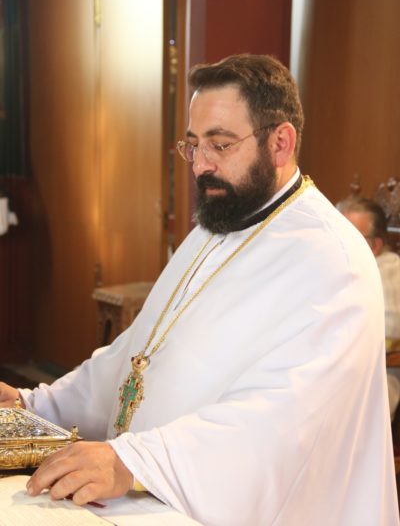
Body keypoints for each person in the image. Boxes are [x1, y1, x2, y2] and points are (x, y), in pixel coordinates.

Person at [0, 54, 398, 525]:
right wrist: (36, 405)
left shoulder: (334, 261)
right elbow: (138, 355)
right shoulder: (217, 227)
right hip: (155, 497)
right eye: (193, 145)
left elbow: (282, 423)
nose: (200, 165)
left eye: (220, 144)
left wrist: (134, 461)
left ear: (281, 142)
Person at [337, 196, 400, 419]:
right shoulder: (334, 265)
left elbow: (388, 337)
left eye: (349, 236)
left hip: (380, 375)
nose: (338, 242)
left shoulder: (389, 272)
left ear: (375, 245)